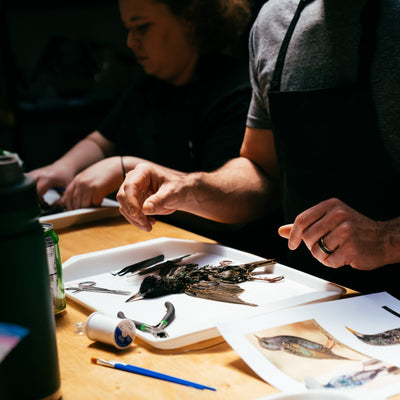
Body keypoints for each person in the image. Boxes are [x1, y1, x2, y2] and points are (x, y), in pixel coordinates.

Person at [116, 0, 400, 297]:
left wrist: (386, 239)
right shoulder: (274, 21)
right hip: (313, 294)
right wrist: (189, 188)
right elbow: (261, 171)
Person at [28, 0, 252, 213]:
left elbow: (230, 206)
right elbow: (101, 141)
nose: (130, 41)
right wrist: (63, 167)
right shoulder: (148, 85)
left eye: (142, 27)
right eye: (128, 28)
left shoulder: (236, 92)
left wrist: (125, 168)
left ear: (189, 19)